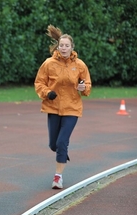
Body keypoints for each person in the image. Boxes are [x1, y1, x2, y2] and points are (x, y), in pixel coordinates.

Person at [34, 25, 92, 189]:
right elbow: (39, 83)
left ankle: (58, 177)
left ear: (72, 47)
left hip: (72, 108)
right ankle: (61, 152)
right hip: (53, 107)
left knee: (62, 142)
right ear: (58, 47)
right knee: (54, 144)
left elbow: (86, 84)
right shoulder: (48, 63)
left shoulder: (80, 65)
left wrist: (83, 88)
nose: (64, 48)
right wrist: (47, 92)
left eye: (67, 45)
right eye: (61, 45)